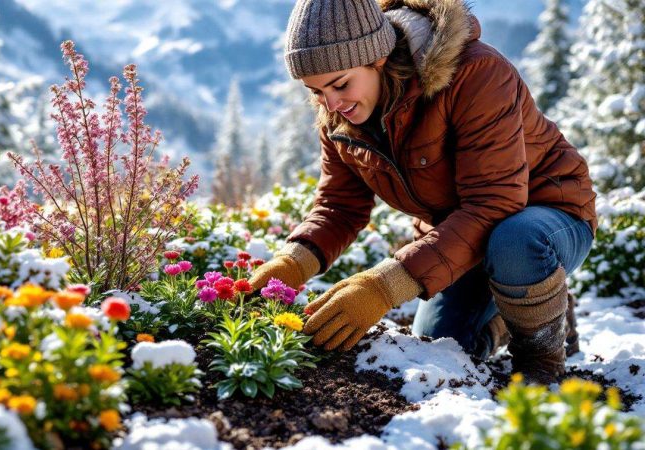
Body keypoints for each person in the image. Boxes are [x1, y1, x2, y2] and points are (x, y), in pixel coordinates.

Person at [247, 0, 596, 385]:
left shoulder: (476, 73)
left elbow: (495, 203)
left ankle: (541, 360)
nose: (331, 103)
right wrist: (292, 263)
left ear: (377, 58)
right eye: (315, 91)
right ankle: (531, 307)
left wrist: (382, 287)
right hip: (462, 234)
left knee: (515, 240)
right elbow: (340, 206)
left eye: (340, 84)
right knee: (444, 344)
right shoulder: (338, 114)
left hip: (546, 213)